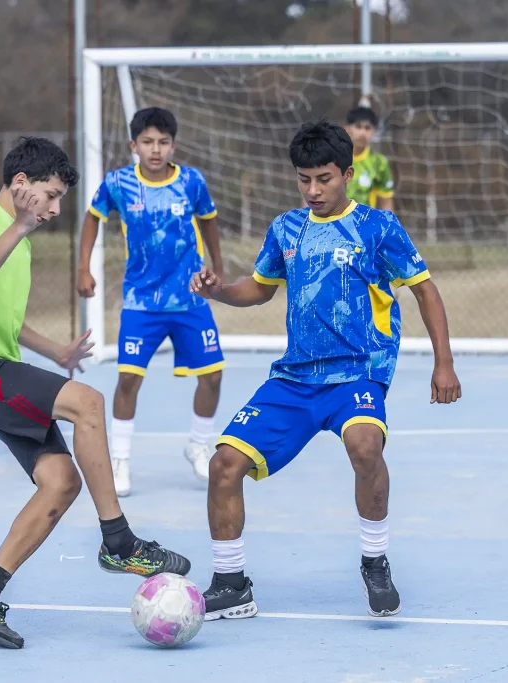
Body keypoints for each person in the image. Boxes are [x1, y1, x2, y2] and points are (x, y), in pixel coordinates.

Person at [189, 119, 461, 621]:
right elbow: (260, 287)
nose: (313, 190)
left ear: (348, 174)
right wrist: (219, 292)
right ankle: (231, 583)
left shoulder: (378, 228)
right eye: (304, 179)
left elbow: (425, 289)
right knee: (223, 464)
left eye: (324, 179)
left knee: (365, 446)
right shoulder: (286, 228)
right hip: (294, 380)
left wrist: (443, 362)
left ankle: (375, 561)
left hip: (359, 372)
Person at [0, 136, 190, 650]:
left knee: (59, 482)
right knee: (89, 402)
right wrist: (20, 223)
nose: (54, 209)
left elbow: (1, 320)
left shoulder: (21, 243)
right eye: (50, 196)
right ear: (20, 185)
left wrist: (54, 350)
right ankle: (118, 540)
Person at [77, 107, 226, 497]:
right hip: (141, 301)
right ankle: (121, 461)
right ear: (134, 145)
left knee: (212, 375)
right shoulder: (119, 183)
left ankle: (198, 444)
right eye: (147, 142)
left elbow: (209, 220)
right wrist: (83, 267)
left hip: (190, 298)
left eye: (162, 142)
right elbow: (92, 218)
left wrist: (218, 267)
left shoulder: (192, 182)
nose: (155, 149)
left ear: (173, 145)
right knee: (129, 378)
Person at [344, 106, 395, 212]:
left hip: (364, 225)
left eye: (367, 128)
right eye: (358, 127)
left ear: (373, 131)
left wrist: (388, 227)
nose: (363, 133)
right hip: (333, 224)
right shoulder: (333, 157)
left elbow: (386, 201)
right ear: (347, 128)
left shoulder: (379, 162)